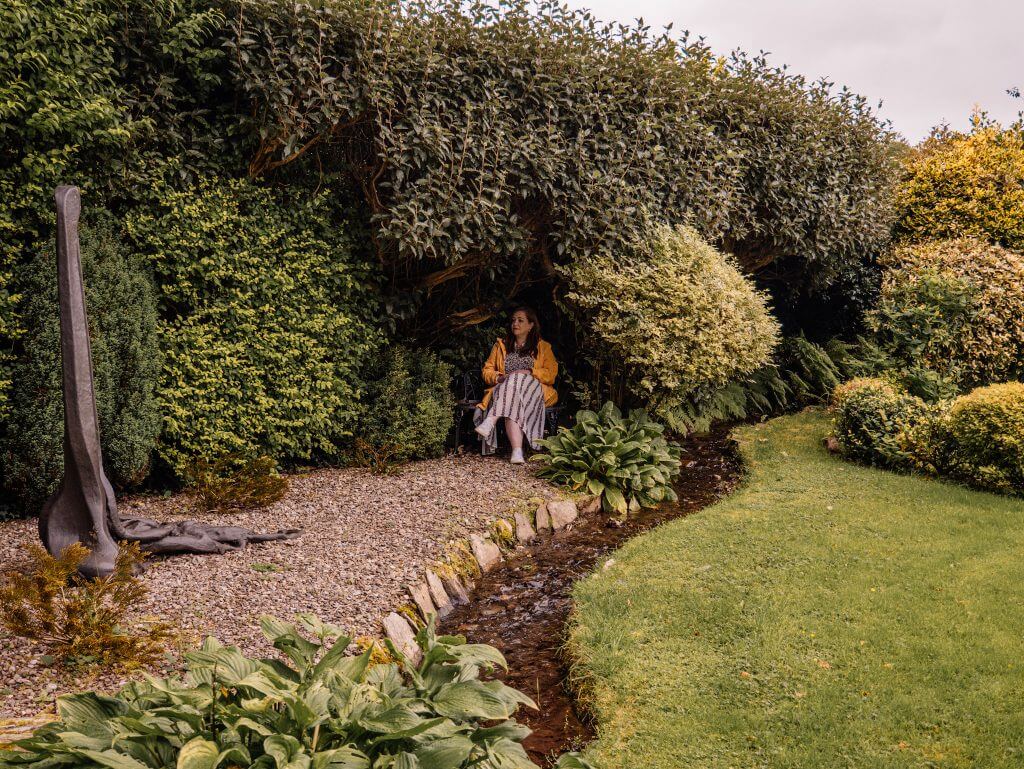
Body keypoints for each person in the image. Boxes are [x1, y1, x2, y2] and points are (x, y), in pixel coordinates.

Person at [474, 307, 558, 463]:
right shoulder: (501, 345)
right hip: (506, 391)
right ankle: (517, 452)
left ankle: (491, 420)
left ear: (531, 325)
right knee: (512, 400)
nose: (515, 323)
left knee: (518, 379)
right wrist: (499, 378)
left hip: (534, 391)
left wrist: (529, 372)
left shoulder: (543, 347)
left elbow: (551, 373)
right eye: (513, 320)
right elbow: (487, 370)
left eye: (520, 320)